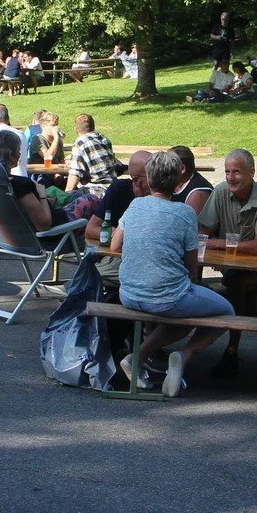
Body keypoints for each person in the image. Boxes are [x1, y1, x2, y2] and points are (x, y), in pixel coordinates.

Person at [110, 150, 235, 398]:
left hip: (129, 292)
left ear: (149, 177)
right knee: (227, 311)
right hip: (168, 296)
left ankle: (137, 359)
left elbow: (115, 246)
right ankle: (181, 357)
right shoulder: (184, 213)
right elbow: (191, 266)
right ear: (177, 180)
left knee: (179, 316)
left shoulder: (135, 205)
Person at [197, 149, 257, 378]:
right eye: (227, 171)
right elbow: (203, 232)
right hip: (233, 267)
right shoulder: (221, 191)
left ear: (251, 172)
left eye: (236, 172)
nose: (230, 177)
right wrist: (210, 243)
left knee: (238, 286)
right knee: (240, 291)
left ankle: (231, 349)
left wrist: (218, 243)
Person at [87, 150, 153, 361]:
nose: (158, 178)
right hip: (117, 260)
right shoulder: (120, 190)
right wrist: (121, 234)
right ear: (137, 180)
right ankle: (138, 349)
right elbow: (92, 229)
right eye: (152, 174)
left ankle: (143, 346)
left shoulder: (163, 193)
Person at [0, 129, 51, 231]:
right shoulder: (20, 185)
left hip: (3, 234)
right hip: (44, 233)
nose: (20, 154)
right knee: (85, 199)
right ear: (12, 156)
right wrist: (42, 195)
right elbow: (44, 225)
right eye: (18, 151)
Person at [64, 113, 122, 196]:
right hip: (112, 187)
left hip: (94, 191)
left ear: (76, 129)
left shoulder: (80, 143)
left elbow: (75, 173)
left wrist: (66, 195)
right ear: (93, 126)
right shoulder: (103, 139)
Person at [168, 145, 213, 216]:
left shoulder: (197, 194)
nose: (164, 166)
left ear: (182, 169)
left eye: (168, 164)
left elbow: (193, 225)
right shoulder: (176, 180)